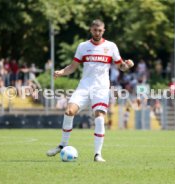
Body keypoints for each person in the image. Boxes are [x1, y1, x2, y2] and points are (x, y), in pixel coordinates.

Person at [46, 19, 134, 162]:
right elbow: (73, 66)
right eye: (95, 30)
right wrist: (61, 72)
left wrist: (127, 65)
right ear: (91, 30)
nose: (97, 32)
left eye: (100, 30)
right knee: (69, 111)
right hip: (84, 86)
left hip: (101, 87)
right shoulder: (83, 46)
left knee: (99, 117)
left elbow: (121, 66)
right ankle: (62, 145)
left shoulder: (111, 46)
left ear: (103, 30)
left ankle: (97, 154)